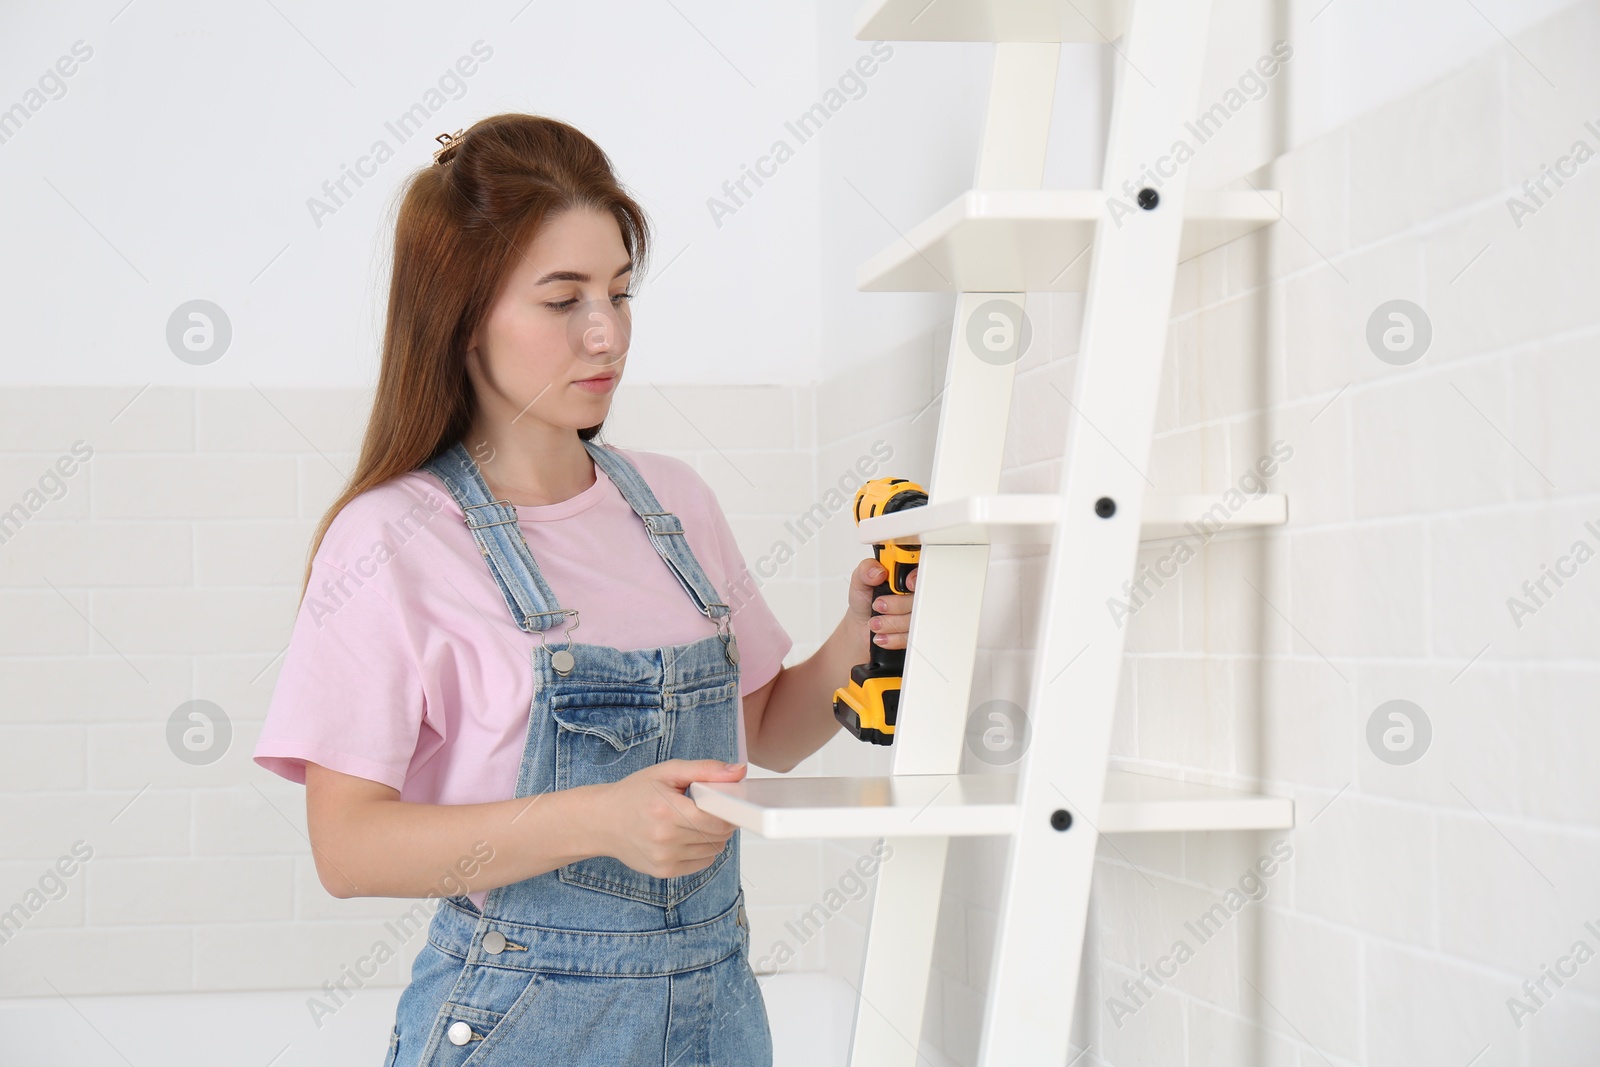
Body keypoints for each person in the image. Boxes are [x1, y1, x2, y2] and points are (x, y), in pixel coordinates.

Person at [251, 112, 918, 1066]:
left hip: (719, 1012)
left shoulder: (673, 501)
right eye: (563, 299)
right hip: (523, 1021)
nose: (606, 334)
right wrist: (597, 820)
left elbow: (767, 731)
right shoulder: (390, 539)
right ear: (463, 315)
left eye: (619, 292)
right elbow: (346, 850)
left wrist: (862, 628)